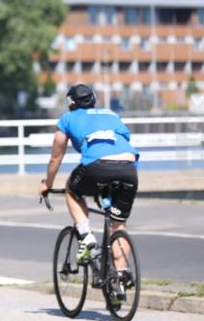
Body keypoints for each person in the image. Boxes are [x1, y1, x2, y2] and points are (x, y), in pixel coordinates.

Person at [39, 84, 139, 288]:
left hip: (96, 167)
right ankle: (121, 275)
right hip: (128, 168)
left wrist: (47, 184)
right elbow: (123, 140)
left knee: (72, 189)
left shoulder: (68, 119)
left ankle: (86, 236)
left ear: (71, 103)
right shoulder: (111, 114)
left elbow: (55, 158)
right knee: (118, 224)